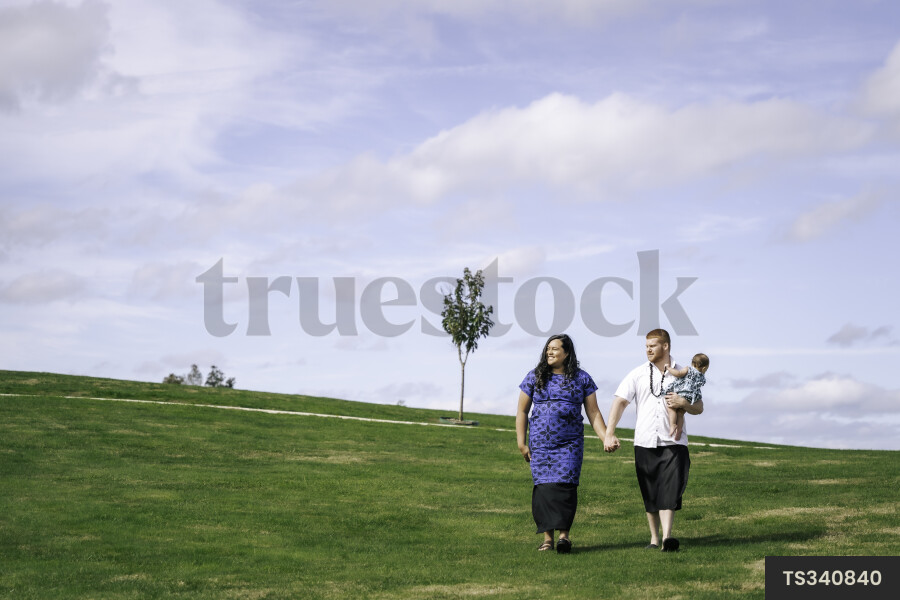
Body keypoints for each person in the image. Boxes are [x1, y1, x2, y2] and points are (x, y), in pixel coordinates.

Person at [603, 329, 703, 552]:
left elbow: (699, 407)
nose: (648, 349)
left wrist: (682, 402)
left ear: (666, 346)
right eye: (646, 346)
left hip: (674, 443)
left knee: (670, 489)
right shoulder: (637, 374)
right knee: (650, 492)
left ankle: (668, 538)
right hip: (645, 441)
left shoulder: (685, 373)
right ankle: (654, 539)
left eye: (653, 345)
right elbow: (620, 402)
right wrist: (609, 432)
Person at [515, 334, 610, 553]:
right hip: (540, 444)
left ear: (567, 353)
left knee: (566, 487)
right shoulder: (534, 376)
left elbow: (594, 413)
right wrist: (522, 442)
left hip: (570, 445)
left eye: (555, 349)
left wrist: (606, 437)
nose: (549, 352)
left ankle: (564, 537)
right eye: (548, 348)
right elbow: (522, 411)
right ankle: (547, 539)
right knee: (544, 489)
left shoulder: (582, 379)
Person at [664, 353, 710, 441]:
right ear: (704, 368)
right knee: (680, 414)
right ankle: (679, 430)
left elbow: (678, 373)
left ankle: (673, 424)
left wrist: (669, 368)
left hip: (682, 392)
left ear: (692, 363)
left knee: (671, 408)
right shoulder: (702, 377)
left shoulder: (688, 369)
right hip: (691, 398)